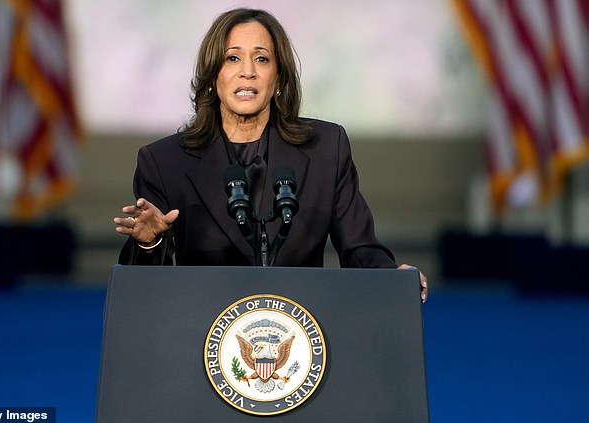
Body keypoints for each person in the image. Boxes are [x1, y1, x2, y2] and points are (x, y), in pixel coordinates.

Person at [113, 8, 428, 302]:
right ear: (213, 76)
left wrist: (392, 280)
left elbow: (360, 249)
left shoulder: (325, 150)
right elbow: (145, 290)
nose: (247, 72)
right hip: (204, 331)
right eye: (232, 58)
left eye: (261, 59)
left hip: (303, 332)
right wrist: (149, 242)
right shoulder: (164, 162)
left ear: (278, 77)